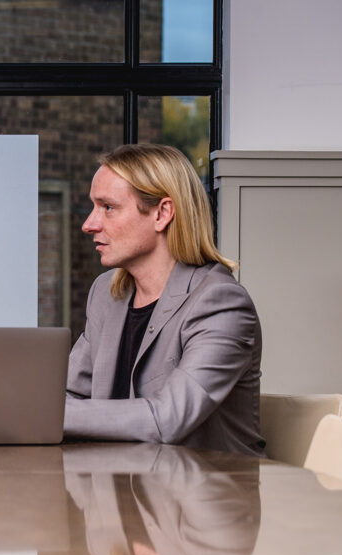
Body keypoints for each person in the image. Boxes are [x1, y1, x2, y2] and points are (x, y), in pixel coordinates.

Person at [63, 143, 264, 456]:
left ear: (162, 213)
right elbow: (70, 395)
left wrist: (42, 414)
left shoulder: (221, 304)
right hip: (119, 487)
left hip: (205, 497)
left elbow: (166, 420)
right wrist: (1, 379)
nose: (89, 224)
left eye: (108, 207)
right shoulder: (106, 294)